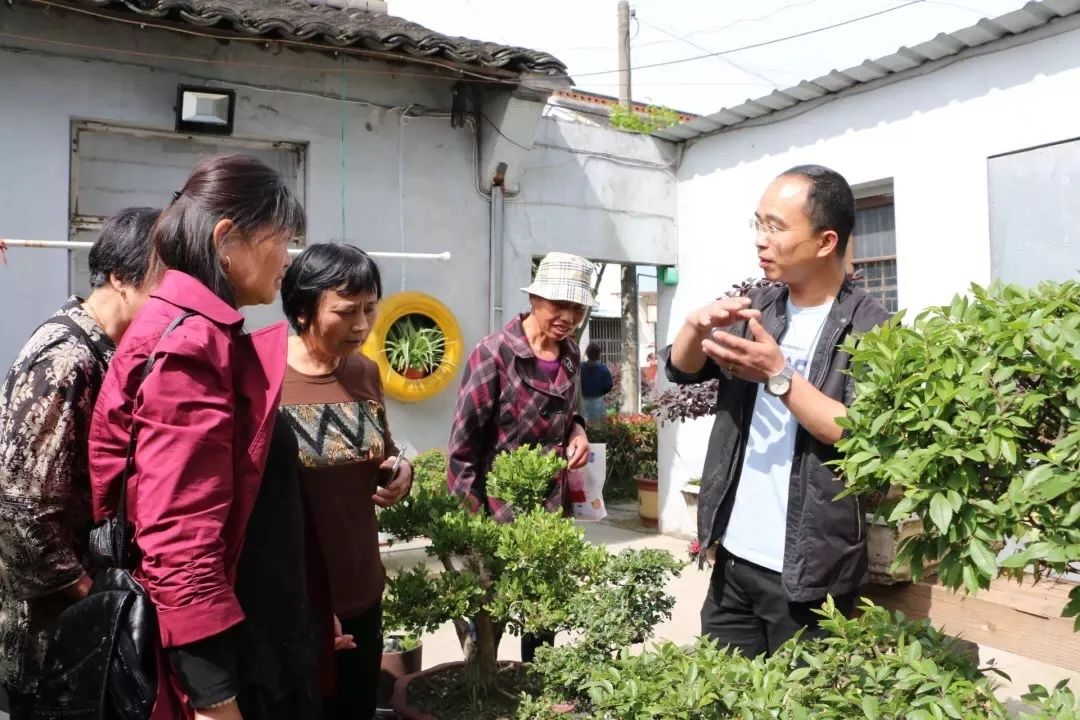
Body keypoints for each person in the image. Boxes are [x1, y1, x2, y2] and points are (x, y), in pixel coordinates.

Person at [89, 154, 304, 720]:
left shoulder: (190, 326)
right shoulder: (191, 342)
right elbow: (178, 533)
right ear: (227, 239)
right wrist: (214, 699)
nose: (288, 259)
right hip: (207, 667)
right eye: (281, 240)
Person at [663, 165, 891, 658]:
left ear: (826, 241)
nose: (761, 241)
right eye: (758, 225)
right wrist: (693, 328)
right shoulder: (760, 306)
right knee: (722, 698)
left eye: (776, 226)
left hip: (811, 572)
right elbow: (682, 372)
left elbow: (858, 433)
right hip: (734, 558)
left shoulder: (874, 328)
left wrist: (779, 375)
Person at [0, 207, 159, 718]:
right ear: (120, 279)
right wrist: (91, 595)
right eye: (163, 281)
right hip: (50, 634)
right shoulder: (66, 359)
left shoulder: (102, 351)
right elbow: (18, 506)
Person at [278, 243, 413, 720]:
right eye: (345, 311)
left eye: (370, 309)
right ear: (301, 310)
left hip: (361, 589)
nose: (361, 325)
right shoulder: (260, 371)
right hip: (289, 598)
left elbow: (385, 449)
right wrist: (309, 603)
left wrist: (402, 471)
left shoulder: (364, 372)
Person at [447, 251, 593, 661]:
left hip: (549, 510)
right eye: (557, 305)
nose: (567, 316)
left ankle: (540, 691)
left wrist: (578, 429)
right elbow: (462, 448)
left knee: (543, 616)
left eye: (577, 307)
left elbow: (569, 412)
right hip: (497, 511)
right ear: (534, 300)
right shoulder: (493, 354)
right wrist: (473, 528)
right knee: (487, 623)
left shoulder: (570, 353)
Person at [580, 343, 614, 423]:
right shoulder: (603, 368)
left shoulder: (580, 368)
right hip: (599, 401)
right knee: (598, 428)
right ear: (599, 354)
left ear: (587, 353)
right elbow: (609, 385)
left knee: (584, 427)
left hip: (583, 401)